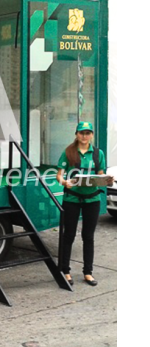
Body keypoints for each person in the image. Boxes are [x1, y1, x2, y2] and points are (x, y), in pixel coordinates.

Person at [56, 122, 112, 287]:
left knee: (88, 236)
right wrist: (64, 182)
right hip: (72, 199)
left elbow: (100, 174)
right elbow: (59, 175)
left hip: (92, 200)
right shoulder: (68, 152)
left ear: (92, 135)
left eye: (88, 133)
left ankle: (88, 272)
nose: (84, 136)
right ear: (76, 134)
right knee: (69, 235)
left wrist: (107, 179)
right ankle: (65, 271)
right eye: (81, 133)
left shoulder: (98, 153)